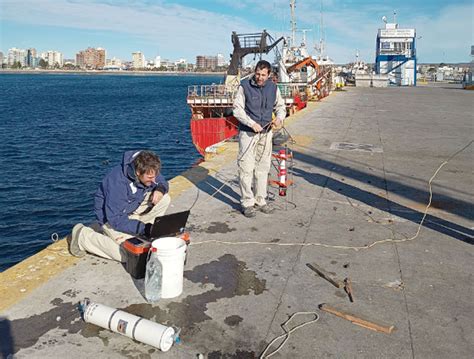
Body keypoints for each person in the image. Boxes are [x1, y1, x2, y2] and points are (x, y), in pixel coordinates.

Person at [68, 150, 171, 261]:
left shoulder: (148, 168)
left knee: (164, 198)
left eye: (155, 176)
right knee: (129, 255)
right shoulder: (117, 183)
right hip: (111, 219)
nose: (154, 180)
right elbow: (116, 220)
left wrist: (160, 190)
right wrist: (143, 228)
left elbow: (161, 181)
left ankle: (139, 228)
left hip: (131, 208)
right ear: (138, 172)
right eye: (150, 178)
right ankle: (83, 236)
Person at [233, 60, 286, 218]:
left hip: (267, 132)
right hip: (248, 134)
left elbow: (281, 106)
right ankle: (247, 202)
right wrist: (251, 123)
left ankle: (260, 200)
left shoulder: (273, 87)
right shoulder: (244, 86)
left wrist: (279, 118)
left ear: (269, 75)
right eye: (257, 74)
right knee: (246, 168)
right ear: (254, 72)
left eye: (263, 75)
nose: (260, 77)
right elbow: (237, 109)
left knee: (263, 168)